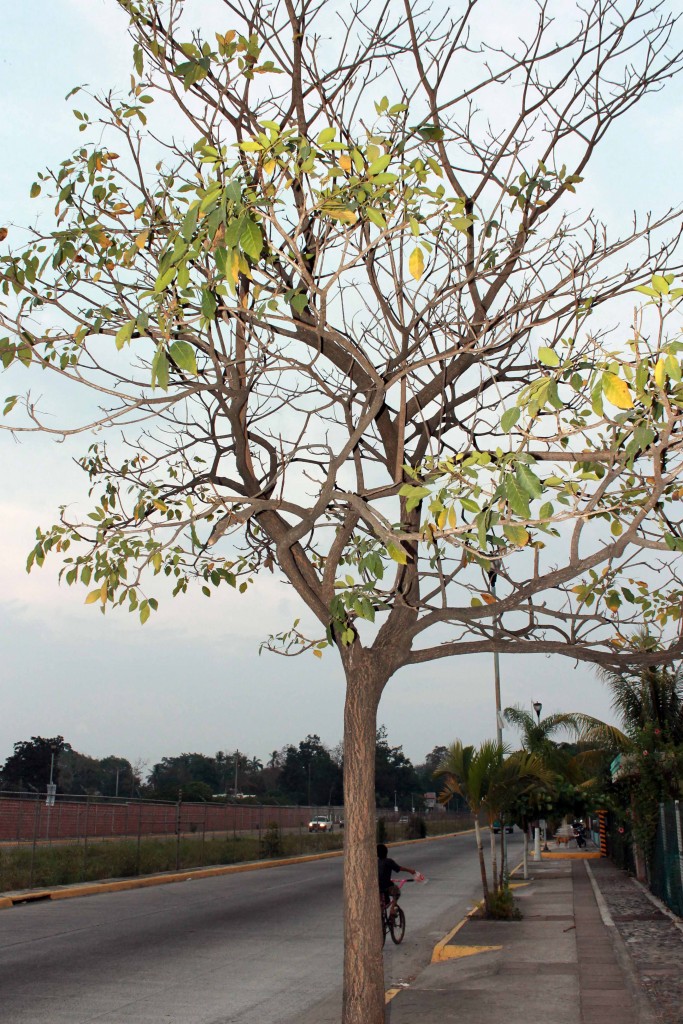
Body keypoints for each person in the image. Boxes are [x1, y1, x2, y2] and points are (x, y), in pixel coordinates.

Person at [377, 843, 417, 919]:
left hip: (377, 888)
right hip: (386, 886)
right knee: (397, 892)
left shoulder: (375, 862)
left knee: (383, 902)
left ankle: (381, 914)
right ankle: (392, 909)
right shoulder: (388, 861)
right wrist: (410, 870)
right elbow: (399, 868)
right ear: (386, 852)